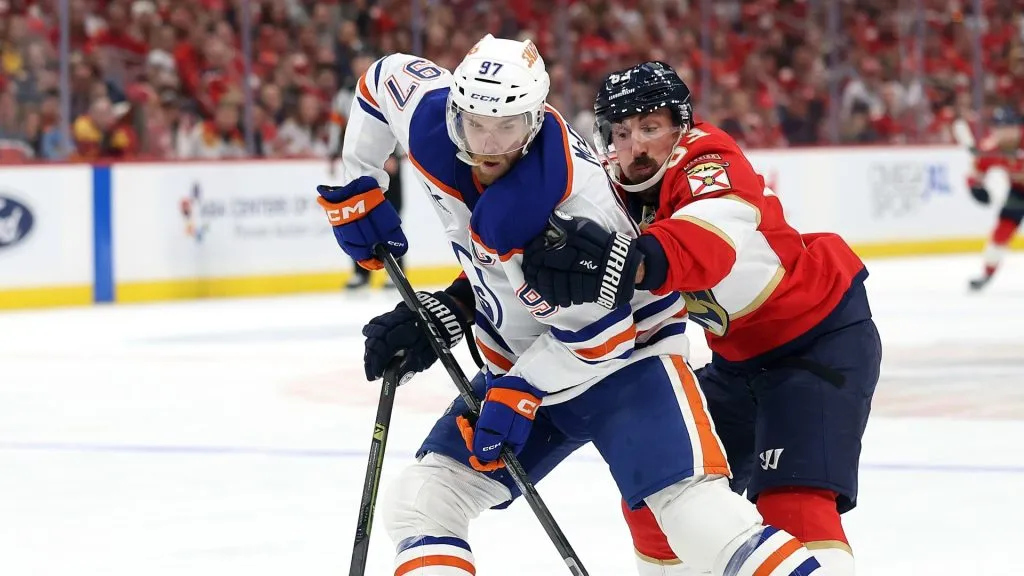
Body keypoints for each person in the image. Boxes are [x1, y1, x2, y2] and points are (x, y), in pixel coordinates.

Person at [317, 37, 824, 576]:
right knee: (422, 502)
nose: (487, 144)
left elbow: (602, 338)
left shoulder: (571, 206)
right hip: (527, 361)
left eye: (507, 126)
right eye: (473, 123)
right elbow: (381, 79)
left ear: (534, 122)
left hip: (630, 363)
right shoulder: (430, 116)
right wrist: (361, 181)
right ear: (454, 107)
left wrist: (519, 393)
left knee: (697, 517)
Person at [519, 61, 881, 576]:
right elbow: (535, 250)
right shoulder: (610, 182)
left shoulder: (709, 157)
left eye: (651, 127)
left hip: (816, 340)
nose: (636, 146)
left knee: (792, 502)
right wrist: (461, 302)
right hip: (736, 363)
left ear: (681, 125)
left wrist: (631, 261)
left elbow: (705, 240)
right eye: (621, 132)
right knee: (660, 490)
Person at [966, 108, 1024, 291]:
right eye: (1000, 128)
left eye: (1010, 127)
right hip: (1018, 192)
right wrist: (976, 188)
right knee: (1002, 230)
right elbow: (975, 173)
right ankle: (988, 272)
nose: (1005, 132)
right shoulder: (990, 149)